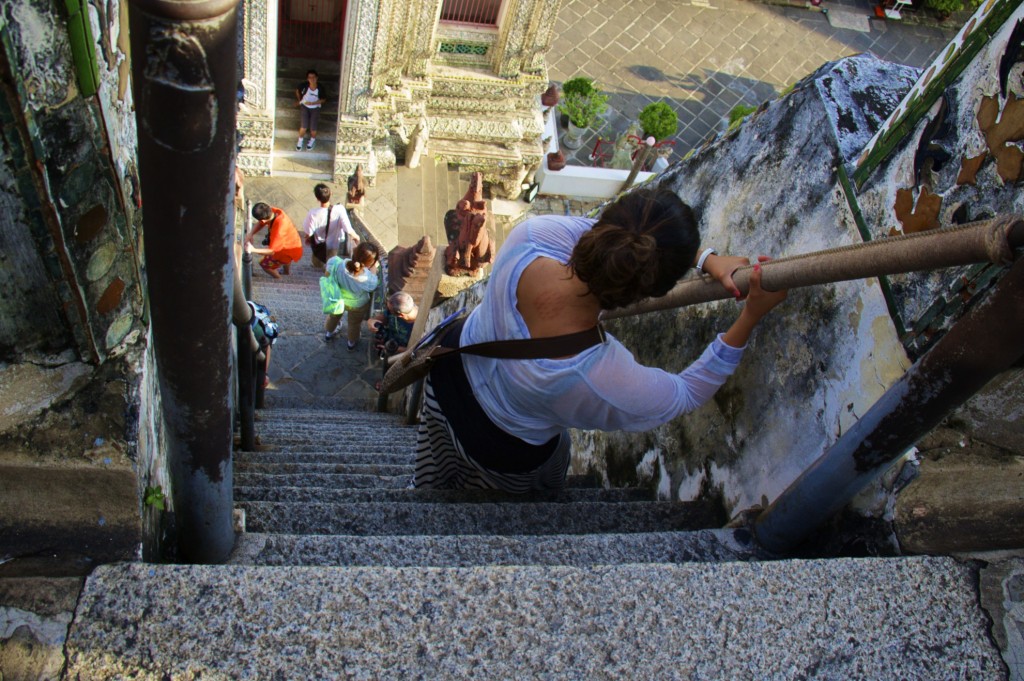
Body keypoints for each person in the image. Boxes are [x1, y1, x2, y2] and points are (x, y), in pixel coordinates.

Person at [413, 186, 788, 492]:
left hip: (448, 373)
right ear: (649, 290)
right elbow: (685, 393)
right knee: (485, 501)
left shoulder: (533, 236)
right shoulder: (593, 373)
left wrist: (704, 258)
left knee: (437, 468)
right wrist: (750, 314)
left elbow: (620, 236)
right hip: (495, 448)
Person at [323, 242, 380, 350]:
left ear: (355, 251)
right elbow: (373, 285)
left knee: (333, 317)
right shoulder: (367, 278)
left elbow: (328, 273)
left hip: (337, 299)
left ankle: (329, 332)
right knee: (354, 323)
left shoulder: (335, 262)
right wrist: (373, 268)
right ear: (369, 263)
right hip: (357, 304)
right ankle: (351, 342)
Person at [303, 183, 360, 269]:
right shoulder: (339, 209)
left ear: (317, 198)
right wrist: (356, 236)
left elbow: (308, 232)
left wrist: (308, 239)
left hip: (318, 245)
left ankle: (318, 267)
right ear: (331, 194)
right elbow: (348, 228)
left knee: (317, 263)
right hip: (333, 244)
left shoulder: (312, 213)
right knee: (331, 264)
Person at [245, 203, 304, 279]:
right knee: (287, 259)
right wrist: (251, 234)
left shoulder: (279, 229)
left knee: (264, 264)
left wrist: (253, 250)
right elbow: (262, 223)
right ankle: (286, 272)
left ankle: (278, 278)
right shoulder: (274, 212)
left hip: (283, 252)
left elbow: (272, 251)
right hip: (292, 244)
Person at [368, 291, 418, 355]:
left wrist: (393, 349)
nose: (388, 310)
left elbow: (416, 349)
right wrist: (371, 321)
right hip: (389, 340)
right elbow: (382, 317)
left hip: (401, 354)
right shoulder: (398, 309)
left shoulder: (421, 325)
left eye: (390, 310)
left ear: (401, 315)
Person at [295, 69, 326, 150]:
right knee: (304, 126)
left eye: (313, 77)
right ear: (307, 79)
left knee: (313, 128)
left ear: (317, 78)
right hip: (305, 106)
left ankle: (312, 140)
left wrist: (313, 103)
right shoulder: (305, 85)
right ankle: (300, 140)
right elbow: (297, 90)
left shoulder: (320, 87)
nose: (312, 79)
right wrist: (300, 100)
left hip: (315, 108)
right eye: (310, 77)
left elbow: (323, 99)